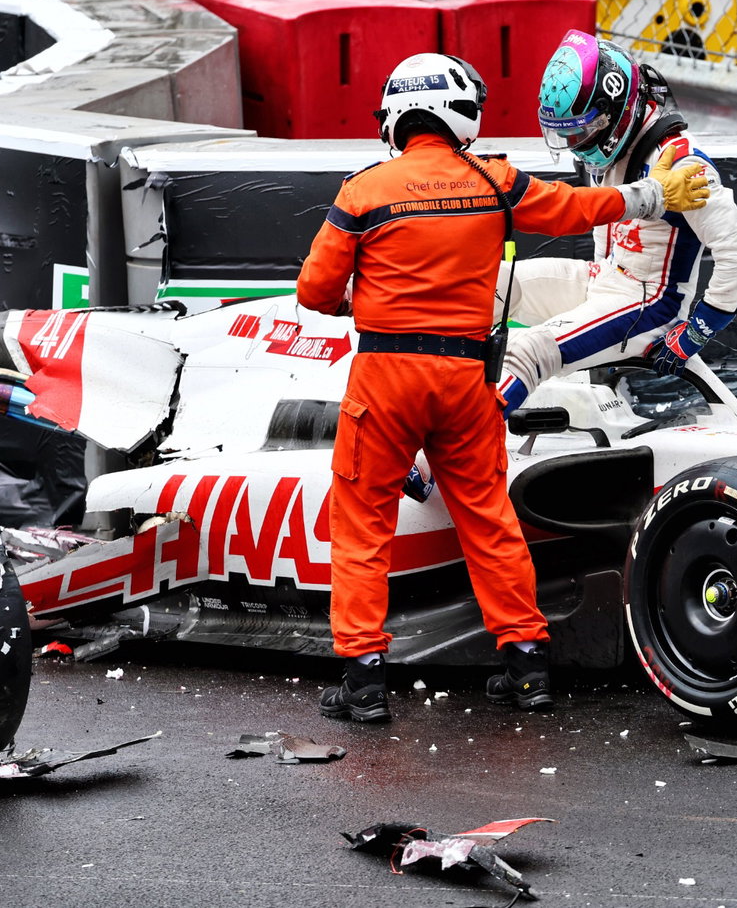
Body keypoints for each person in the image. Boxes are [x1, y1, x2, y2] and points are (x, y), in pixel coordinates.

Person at [295, 51, 709, 723]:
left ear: (396, 116)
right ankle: (526, 668)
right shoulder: (494, 180)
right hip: (467, 377)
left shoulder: (362, 192)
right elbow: (578, 211)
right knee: (488, 520)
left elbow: (313, 291)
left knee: (364, 521)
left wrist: (360, 303)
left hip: (385, 379)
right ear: (462, 116)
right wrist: (656, 195)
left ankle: (365, 679)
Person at [494, 30, 737, 415]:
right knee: (484, 285)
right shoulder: (606, 149)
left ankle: (448, 461)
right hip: (604, 280)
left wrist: (698, 331)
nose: (574, 145)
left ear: (615, 113)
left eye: (581, 132)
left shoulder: (684, 162)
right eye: (566, 134)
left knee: (526, 352)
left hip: (649, 304)